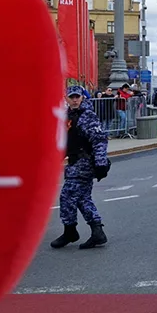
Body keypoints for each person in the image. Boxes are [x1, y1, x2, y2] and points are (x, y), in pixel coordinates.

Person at [51, 85, 110, 250]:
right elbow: (65, 142)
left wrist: (100, 162)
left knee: (69, 196)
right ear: (67, 99)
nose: (75, 99)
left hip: (84, 163)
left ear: (82, 98)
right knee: (79, 198)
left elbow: (99, 140)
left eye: (77, 97)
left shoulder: (87, 116)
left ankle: (72, 231)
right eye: (72, 97)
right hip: (74, 163)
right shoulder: (68, 116)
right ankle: (93, 231)